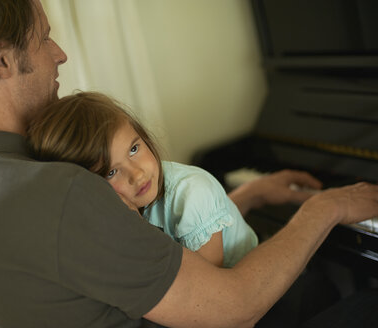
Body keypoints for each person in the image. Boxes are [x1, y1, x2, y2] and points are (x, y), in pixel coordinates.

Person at [0, 0, 378, 327]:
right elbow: (235, 304)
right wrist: (324, 207)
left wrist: (238, 200)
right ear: (2, 61)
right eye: (43, 38)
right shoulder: (52, 190)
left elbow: (121, 261)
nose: (60, 54)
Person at [27, 91, 323, 268]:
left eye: (134, 148)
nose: (138, 173)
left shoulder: (192, 192)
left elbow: (213, 295)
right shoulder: (109, 211)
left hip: (258, 297)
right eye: (111, 172)